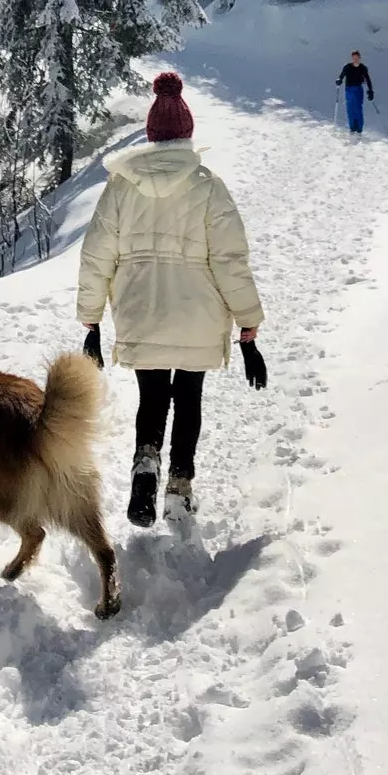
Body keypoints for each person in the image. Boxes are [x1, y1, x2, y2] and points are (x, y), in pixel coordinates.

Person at [76, 72, 266, 526]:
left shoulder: (120, 186)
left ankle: (145, 462)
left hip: (141, 312)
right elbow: (229, 259)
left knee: (153, 396)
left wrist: (91, 321)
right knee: (189, 398)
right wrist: (248, 322)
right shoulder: (208, 186)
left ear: (151, 135)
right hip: (198, 313)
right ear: (187, 133)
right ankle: (180, 486)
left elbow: (96, 254)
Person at [338, 50, 374, 134]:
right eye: (353, 58)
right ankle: (352, 128)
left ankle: (359, 129)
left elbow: (368, 80)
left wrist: (370, 90)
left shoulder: (363, 68)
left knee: (357, 108)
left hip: (358, 89)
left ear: (359, 58)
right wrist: (339, 80)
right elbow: (341, 76)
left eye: (356, 58)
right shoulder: (347, 67)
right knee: (350, 108)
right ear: (352, 58)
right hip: (349, 89)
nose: (355, 59)